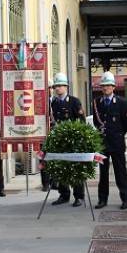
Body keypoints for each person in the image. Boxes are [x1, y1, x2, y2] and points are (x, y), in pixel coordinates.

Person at [93, 71, 127, 210]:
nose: (105, 88)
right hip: (102, 143)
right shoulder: (97, 102)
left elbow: (126, 123)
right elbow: (97, 123)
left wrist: (118, 134)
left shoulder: (121, 102)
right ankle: (102, 199)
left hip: (117, 142)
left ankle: (125, 199)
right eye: (103, 85)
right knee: (103, 173)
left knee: (120, 171)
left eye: (108, 85)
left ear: (113, 87)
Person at [50, 72, 86, 207]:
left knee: (75, 168)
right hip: (60, 140)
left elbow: (81, 121)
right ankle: (64, 194)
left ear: (66, 87)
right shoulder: (54, 103)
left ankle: (79, 196)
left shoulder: (74, 101)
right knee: (62, 167)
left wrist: (76, 136)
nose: (57, 88)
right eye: (55, 86)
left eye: (60, 86)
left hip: (73, 140)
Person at [41, 79, 54, 192]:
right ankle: (45, 183)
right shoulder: (40, 102)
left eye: (51, 88)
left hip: (54, 133)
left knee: (55, 158)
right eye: (48, 88)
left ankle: (54, 182)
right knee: (44, 159)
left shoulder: (55, 101)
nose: (50, 90)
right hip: (43, 133)